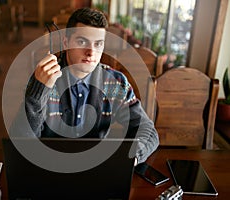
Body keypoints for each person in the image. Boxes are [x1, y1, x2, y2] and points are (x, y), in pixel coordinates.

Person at [22, 7, 158, 164]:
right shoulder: (43, 79)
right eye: (82, 42)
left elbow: (147, 130)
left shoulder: (114, 82)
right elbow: (23, 141)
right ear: (66, 42)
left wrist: (130, 158)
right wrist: (38, 91)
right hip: (51, 167)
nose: (91, 52)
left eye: (98, 44)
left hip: (97, 170)